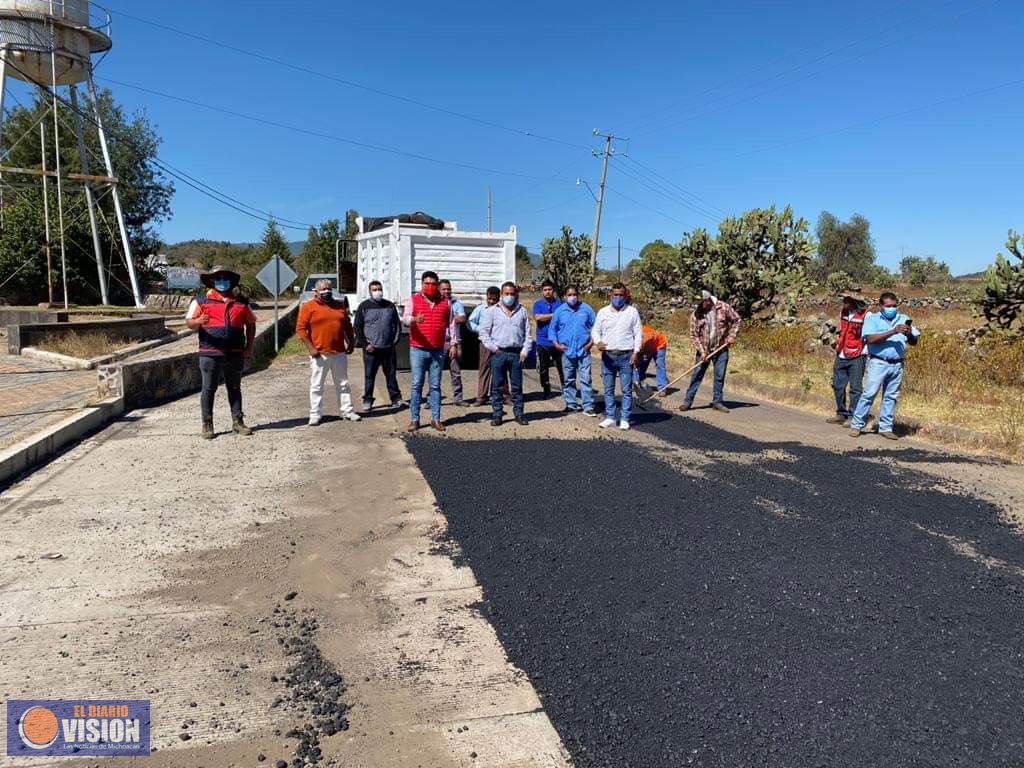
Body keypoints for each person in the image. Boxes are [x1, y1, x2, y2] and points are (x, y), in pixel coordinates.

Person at [185, 265, 257, 439]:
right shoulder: (200, 301)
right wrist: (199, 321)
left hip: (235, 353)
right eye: (218, 278)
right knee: (208, 389)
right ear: (212, 281)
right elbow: (188, 322)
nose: (222, 281)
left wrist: (249, 348)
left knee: (234, 388)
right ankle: (207, 424)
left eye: (225, 278)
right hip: (209, 353)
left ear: (231, 281)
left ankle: (238, 422)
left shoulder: (241, 302)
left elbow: (251, 324)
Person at [848, 292, 920, 441]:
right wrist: (893, 331)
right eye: (888, 306)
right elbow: (871, 339)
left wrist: (909, 334)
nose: (892, 309)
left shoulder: (904, 318)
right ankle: (856, 424)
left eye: (894, 306)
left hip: (897, 363)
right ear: (881, 306)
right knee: (869, 394)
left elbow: (914, 342)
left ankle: (885, 427)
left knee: (891, 396)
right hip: (878, 362)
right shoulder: (873, 319)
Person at [297, 278, 361, 427]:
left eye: (329, 288)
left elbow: (347, 327)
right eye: (323, 289)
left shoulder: (339, 306)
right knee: (317, 385)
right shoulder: (308, 307)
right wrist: (311, 348)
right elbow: (300, 329)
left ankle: (347, 411)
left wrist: (351, 342)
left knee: (343, 383)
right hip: (320, 353)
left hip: (338, 352)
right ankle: (315, 414)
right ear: (316, 292)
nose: (327, 291)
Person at [402, 271, 452, 432]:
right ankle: (414, 419)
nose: (429, 287)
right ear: (422, 284)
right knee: (417, 384)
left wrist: (454, 343)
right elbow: (405, 318)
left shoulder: (446, 303)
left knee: (435, 386)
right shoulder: (413, 300)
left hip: (437, 350)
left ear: (437, 285)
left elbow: (451, 325)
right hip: (418, 349)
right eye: (426, 283)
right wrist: (414, 320)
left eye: (432, 284)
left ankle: (435, 419)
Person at [479, 281, 533, 427]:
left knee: (517, 387)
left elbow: (528, 334)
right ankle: (497, 415)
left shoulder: (521, 311)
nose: (509, 296)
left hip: (516, 355)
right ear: (501, 295)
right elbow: (484, 333)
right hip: (499, 354)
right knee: (496, 387)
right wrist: (493, 348)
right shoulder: (492, 311)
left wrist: (525, 351)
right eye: (506, 294)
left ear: (516, 295)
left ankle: (519, 414)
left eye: (512, 294)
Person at [592, 283, 642, 430]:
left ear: (625, 295)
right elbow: (595, 331)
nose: (618, 297)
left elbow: (638, 333)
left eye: (621, 295)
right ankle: (610, 417)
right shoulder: (603, 312)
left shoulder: (632, 312)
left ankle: (625, 418)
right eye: (615, 294)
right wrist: (598, 341)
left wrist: (636, 352)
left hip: (626, 356)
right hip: (608, 356)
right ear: (611, 295)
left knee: (626, 389)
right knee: (608, 389)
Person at [681, 290, 741, 413]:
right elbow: (694, 336)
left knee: (719, 376)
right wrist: (702, 352)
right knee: (697, 376)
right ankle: (687, 401)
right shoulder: (696, 315)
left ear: (708, 301)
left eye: (700, 303)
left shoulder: (723, 307)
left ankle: (717, 402)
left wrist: (732, 336)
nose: (698, 306)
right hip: (704, 350)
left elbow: (737, 320)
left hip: (721, 348)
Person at [354, 280, 405, 413]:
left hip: (388, 348)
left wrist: (394, 342)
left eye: (379, 289)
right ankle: (367, 400)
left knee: (391, 374)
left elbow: (397, 325)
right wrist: (366, 345)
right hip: (371, 349)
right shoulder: (363, 307)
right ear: (370, 292)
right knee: (370, 376)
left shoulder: (390, 306)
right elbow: (358, 328)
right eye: (374, 289)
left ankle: (396, 398)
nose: (378, 291)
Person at [551, 285, 596, 415]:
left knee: (586, 379)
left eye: (574, 294)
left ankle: (588, 406)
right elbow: (552, 330)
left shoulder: (586, 309)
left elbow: (596, 326)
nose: (572, 297)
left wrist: (592, 342)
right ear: (565, 296)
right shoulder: (559, 311)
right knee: (569, 379)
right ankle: (571, 404)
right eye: (569, 295)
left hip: (584, 350)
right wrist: (557, 345)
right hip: (567, 351)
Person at [827, 293, 868, 426]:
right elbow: (842, 331)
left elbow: (868, 335)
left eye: (846, 300)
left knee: (855, 388)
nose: (843, 302)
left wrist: (864, 352)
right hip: (842, 353)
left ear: (854, 301)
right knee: (838, 385)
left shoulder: (867, 315)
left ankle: (853, 416)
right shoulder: (843, 312)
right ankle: (841, 413)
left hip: (857, 355)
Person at [468, 286, 509, 407]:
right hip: (485, 343)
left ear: (499, 298)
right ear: (486, 296)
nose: (491, 301)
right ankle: (481, 397)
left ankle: (505, 396)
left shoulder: (503, 309)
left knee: (502, 369)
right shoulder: (481, 309)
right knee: (484, 369)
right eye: (489, 298)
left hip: (499, 343)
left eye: (494, 299)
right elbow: (470, 321)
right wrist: (480, 330)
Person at [532, 279, 565, 398]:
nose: (547, 292)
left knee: (562, 367)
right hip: (542, 342)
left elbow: (563, 319)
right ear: (542, 291)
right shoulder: (538, 304)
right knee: (543, 368)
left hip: (557, 342)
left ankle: (566, 389)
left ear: (553, 290)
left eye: (549, 289)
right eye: (545, 290)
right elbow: (538, 318)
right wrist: (554, 315)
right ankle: (546, 390)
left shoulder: (560, 304)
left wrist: (549, 317)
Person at [439, 279, 467, 406]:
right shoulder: (436, 303)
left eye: (448, 289)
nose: (447, 291)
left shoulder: (456, 303)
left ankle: (458, 398)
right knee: (435, 372)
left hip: (454, 342)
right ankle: (431, 399)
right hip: (439, 343)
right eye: (444, 289)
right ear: (439, 290)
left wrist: (449, 317)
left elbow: (462, 318)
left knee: (455, 372)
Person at [634, 324, 669, 396]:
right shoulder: (631, 334)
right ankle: (638, 384)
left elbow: (648, 351)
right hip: (646, 346)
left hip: (659, 345)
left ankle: (662, 388)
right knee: (641, 363)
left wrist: (641, 357)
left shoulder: (645, 335)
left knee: (660, 365)